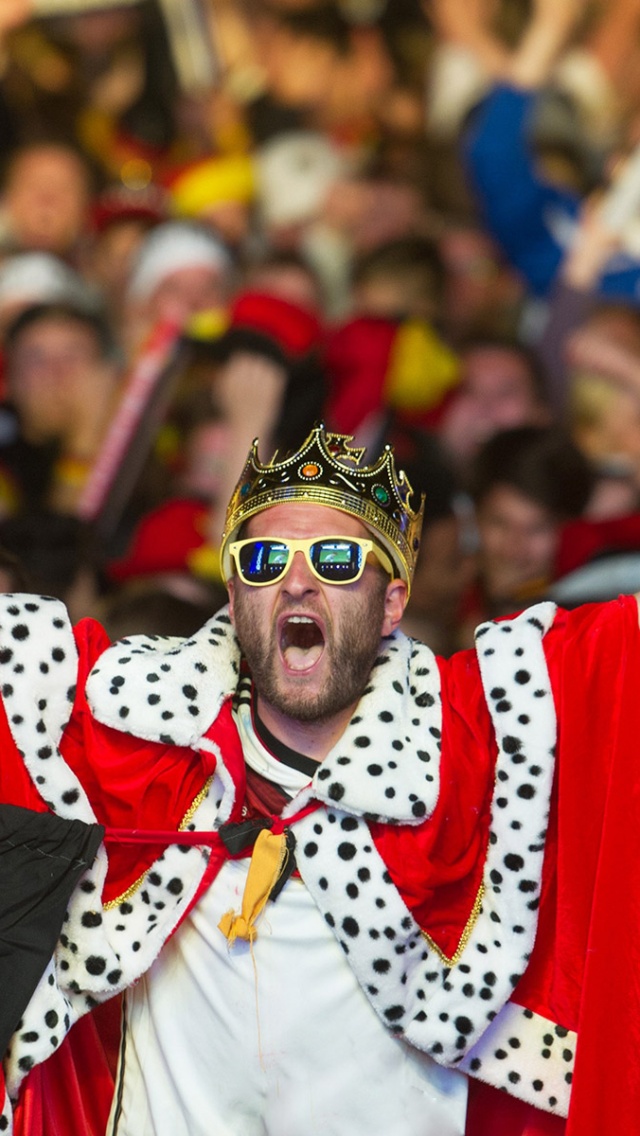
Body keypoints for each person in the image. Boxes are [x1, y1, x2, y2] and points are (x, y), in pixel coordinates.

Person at [0, 423, 639, 1136]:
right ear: (236, 594)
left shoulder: (477, 750)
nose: (296, 580)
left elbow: (611, 668)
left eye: (336, 559)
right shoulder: (132, 743)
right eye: (265, 558)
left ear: (392, 601)